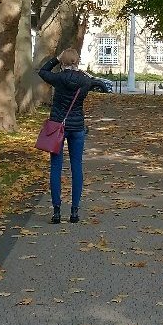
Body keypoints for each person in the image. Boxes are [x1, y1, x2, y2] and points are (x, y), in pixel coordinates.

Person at [39, 48, 113, 224]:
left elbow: (43, 71)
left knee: (56, 166)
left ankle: (56, 211)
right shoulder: (85, 81)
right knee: (76, 167)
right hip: (77, 127)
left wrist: (56, 59)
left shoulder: (58, 79)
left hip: (58, 126)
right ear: (77, 62)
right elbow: (90, 82)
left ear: (63, 62)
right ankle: (74, 212)